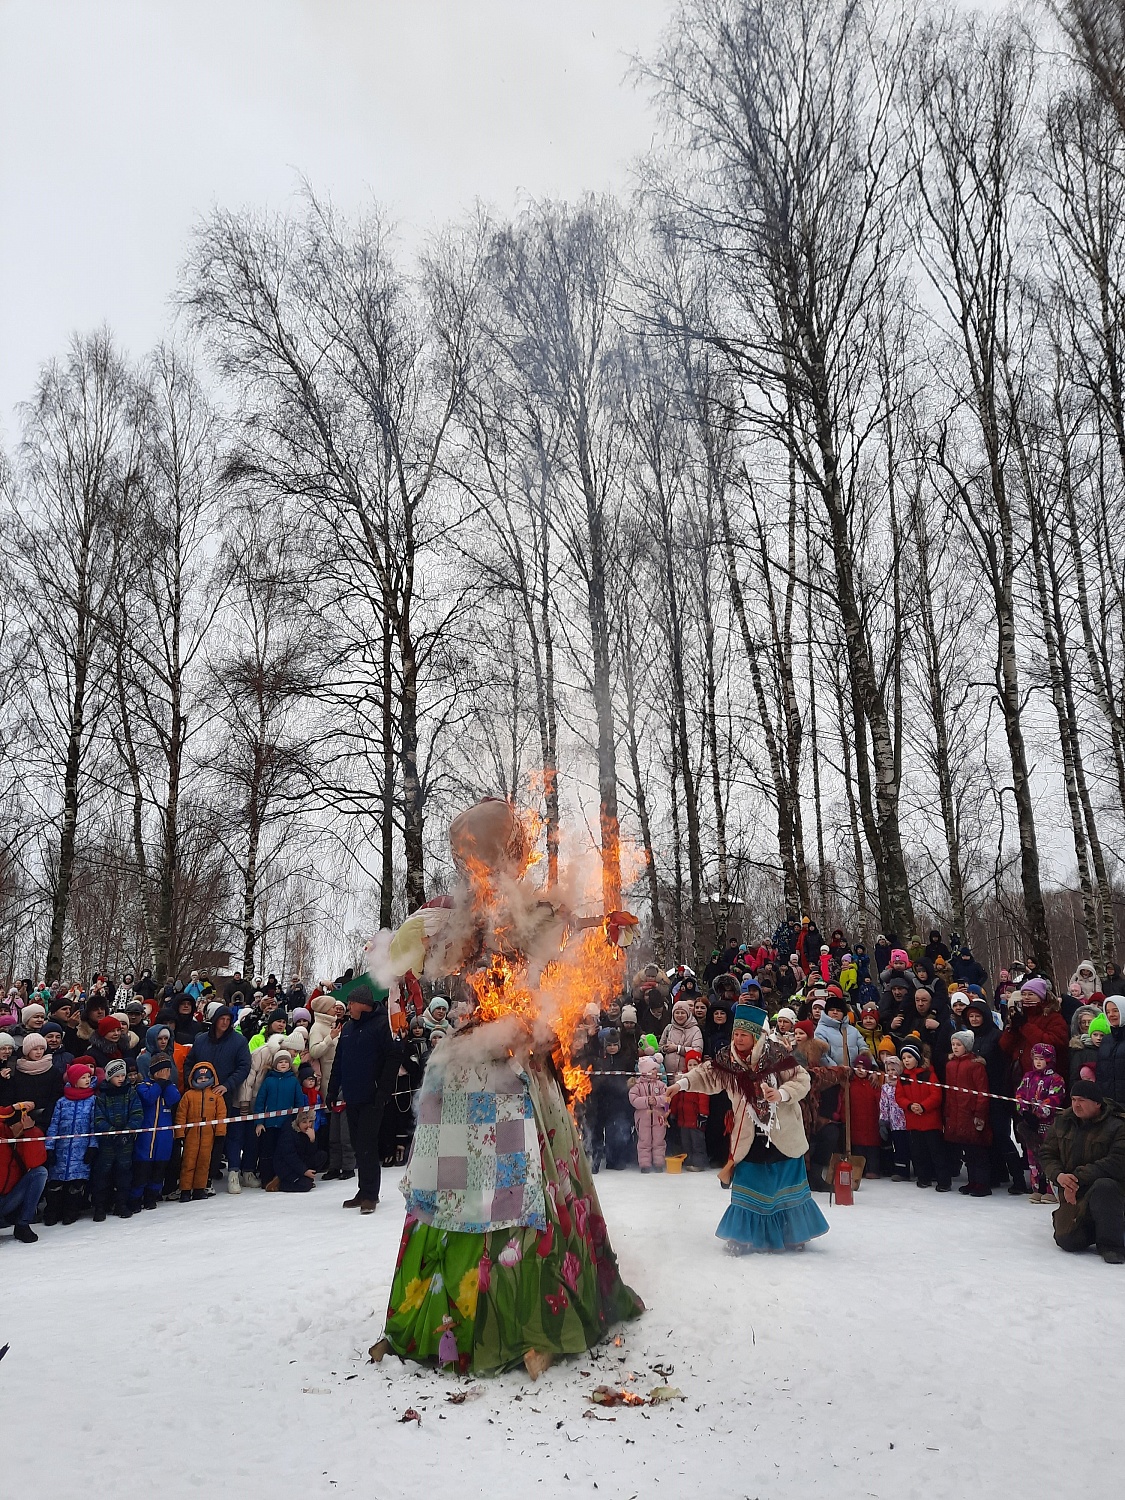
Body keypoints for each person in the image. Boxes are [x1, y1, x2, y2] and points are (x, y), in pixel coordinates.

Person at [672, 1003, 828, 1254]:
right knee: (747, 1186)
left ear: (756, 1036)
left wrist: (781, 1093)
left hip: (783, 1132)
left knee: (786, 1187)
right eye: (735, 1034)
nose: (738, 1039)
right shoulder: (727, 1060)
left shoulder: (778, 1056)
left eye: (743, 1035)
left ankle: (793, 1234)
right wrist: (681, 1085)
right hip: (748, 1134)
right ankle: (743, 1236)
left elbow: (803, 1080)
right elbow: (705, 1076)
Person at [324, 977, 399, 1213]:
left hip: (372, 1096)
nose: (347, 1006)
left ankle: (370, 1195)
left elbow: (393, 1058)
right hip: (352, 1095)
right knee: (358, 1145)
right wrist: (332, 1090)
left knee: (367, 1145)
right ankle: (363, 1190)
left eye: (350, 1002)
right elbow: (339, 1062)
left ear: (361, 1003)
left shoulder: (381, 1025)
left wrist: (384, 1091)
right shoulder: (347, 1028)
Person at [1040, 1079, 1125, 1264]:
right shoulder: (1063, 1121)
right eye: (1073, 1099)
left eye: (1082, 1100)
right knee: (1067, 1241)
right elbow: (1047, 1153)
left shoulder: (1118, 1125)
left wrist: (1075, 1179)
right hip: (1072, 1190)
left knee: (1105, 1186)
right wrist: (1059, 1176)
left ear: (1097, 1103)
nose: (1076, 1105)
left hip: (1111, 1190)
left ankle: (1112, 1245)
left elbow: (1117, 1162)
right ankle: (1090, 1224)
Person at [184, 1004, 251, 1193]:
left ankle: (211, 1176)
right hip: (199, 1097)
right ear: (214, 1020)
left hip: (223, 1096)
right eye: (222, 1019)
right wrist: (192, 1083)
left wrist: (227, 1085)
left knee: (220, 1136)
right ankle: (195, 1177)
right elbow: (190, 1063)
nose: (225, 1022)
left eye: (228, 1019)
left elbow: (244, 1066)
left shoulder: (238, 1041)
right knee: (200, 1138)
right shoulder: (201, 1040)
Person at [44, 1063, 98, 1225]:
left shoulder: (93, 1100)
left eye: (89, 1077)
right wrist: (50, 1147)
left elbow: (94, 1125)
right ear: (74, 1080)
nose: (87, 1080)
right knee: (55, 1183)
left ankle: (71, 1212)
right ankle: (53, 1212)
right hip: (62, 1149)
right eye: (83, 1077)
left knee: (76, 1183)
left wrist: (92, 1146)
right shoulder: (62, 1102)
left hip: (81, 1150)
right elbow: (54, 1125)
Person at [90, 1058, 143, 1221]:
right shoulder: (101, 1095)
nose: (121, 1078)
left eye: (123, 1075)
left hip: (125, 1142)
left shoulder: (130, 1092)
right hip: (107, 1143)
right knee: (102, 1175)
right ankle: (100, 1206)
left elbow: (137, 1113)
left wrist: (126, 1132)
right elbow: (98, 1119)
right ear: (109, 1077)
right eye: (117, 1075)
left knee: (124, 1174)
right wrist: (112, 1132)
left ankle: (121, 1204)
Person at [943, 1031, 992, 1197]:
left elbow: (982, 1091)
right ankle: (973, 1181)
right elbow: (949, 1092)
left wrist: (979, 1113)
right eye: (953, 1044)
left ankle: (983, 1183)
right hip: (957, 1113)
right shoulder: (950, 1065)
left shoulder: (975, 1065)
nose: (955, 1048)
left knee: (978, 1150)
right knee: (967, 1151)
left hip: (971, 1113)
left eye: (959, 1045)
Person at [897, 1039, 950, 1191]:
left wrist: (923, 1106)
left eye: (909, 1057)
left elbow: (936, 1095)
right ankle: (923, 1178)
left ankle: (943, 1181)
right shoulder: (903, 1077)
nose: (906, 1060)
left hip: (930, 1122)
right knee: (918, 1153)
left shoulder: (929, 1074)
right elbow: (899, 1097)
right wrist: (909, 1105)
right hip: (913, 1122)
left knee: (937, 1153)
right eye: (904, 1058)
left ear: (917, 1058)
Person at [132, 1053, 180, 1211]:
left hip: (164, 1138)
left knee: (159, 1170)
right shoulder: (143, 1086)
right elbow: (149, 1098)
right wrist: (159, 1084)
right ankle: (136, 1198)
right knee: (142, 1172)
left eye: (168, 1070)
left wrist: (165, 1084)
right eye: (162, 1070)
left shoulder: (169, 1086)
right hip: (146, 1138)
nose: (166, 1073)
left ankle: (152, 1198)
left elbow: (174, 1099)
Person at [175, 1060, 227, 1201]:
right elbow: (181, 1115)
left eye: (205, 1077)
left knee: (204, 1162)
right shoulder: (188, 1095)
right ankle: (185, 1190)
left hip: (208, 1134)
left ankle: (199, 1189)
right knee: (188, 1162)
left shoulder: (216, 1096)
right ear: (194, 1078)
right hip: (191, 1134)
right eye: (200, 1078)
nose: (203, 1080)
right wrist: (180, 1134)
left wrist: (220, 1133)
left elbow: (221, 1115)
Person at [254, 1050, 304, 1190]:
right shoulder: (268, 1081)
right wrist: (259, 1122)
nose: (283, 1064)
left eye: (286, 1062)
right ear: (275, 1064)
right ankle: (266, 1178)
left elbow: (299, 1102)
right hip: (269, 1124)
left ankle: (281, 1178)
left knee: (283, 1152)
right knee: (267, 1153)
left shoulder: (294, 1081)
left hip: (287, 1125)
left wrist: (299, 1121)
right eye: (280, 1062)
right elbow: (260, 1102)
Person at [0, 1102, 48, 1242]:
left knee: (40, 1172)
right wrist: (14, 1108)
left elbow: (35, 1163)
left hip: (7, 1200)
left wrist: (30, 1130)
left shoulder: (27, 1136)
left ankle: (23, 1224)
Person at [669, 1048, 709, 1170]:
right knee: (686, 1141)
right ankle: (689, 1161)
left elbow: (703, 1098)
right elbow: (676, 1097)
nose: (692, 1067)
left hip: (696, 1118)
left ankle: (699, 1163)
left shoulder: (701, 1078)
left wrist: (703, 1114)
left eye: (695, 1064)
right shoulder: (682, 1079)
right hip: (683, 1118)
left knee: (697, 1142)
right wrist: (673, 1111)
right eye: (690, 1064)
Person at [629, 1054, 668, 1173]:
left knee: (659, 1140)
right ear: (645, 1072)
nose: (656, 1071)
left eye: (656, 1069)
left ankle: (659, 1162)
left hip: (658, 1117)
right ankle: (645, 1164)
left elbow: (667, 1098)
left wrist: (657, 1100)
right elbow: (633, 1100)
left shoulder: (661, 1085)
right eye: (653, 1069)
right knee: (644, 1140)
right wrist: (646, 1101)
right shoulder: (637, 1086)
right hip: (643, 1118)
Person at [272, 1108, 324, 1191]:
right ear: (297, 1123)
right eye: (304, 1122)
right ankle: (280, 1184)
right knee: (306, 1185)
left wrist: (312, 1141)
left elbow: (310, 1153)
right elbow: (290, 1157)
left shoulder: (308, 1132)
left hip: (299, 1162)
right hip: (286, 1166)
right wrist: (304, 1171)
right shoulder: (288, 1134)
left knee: (321, 1156)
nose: (308, 1125)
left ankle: (303, 1178)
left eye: (310, 1121)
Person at [879, 1052, 910, 1180]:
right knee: (896, 1146)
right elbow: (883, 1104)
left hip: (906, 1121)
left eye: (894, 1070)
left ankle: (906, 1170)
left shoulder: (904, 1084)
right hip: (893, 1122)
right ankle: (897, 1170)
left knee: (904, 1146)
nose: (891, 1073)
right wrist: (883, 1120)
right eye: (889, 1070)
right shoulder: (886, 1087)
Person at [813, 992, 864, 1067]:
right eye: (832, 1010)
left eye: (838, 1010)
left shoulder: (853, 1030)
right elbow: (822, 1056)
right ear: (827, 1012)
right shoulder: (820, 1031)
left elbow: (863, 1048)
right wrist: (837, 1070)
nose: (835, 1012)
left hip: (854, 1074)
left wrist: (865, 1066)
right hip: (832, 1075)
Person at [660, 998, 703, 1084]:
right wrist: (665, 1049)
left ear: (688, 1014)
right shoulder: (669, 1028)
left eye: (682, 1013)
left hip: (688, 1077)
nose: (679, 1015)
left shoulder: (695, 1030)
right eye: (677, 1013)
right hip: (668, 1077)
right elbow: (660, 1047)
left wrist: (678, 1048)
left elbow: (698, 1050)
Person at [1094, 996, 1125, 1106]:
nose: (1111, 1015)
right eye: (1108, 1012)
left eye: (1115, 1010)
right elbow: (1100, 1073)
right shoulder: (1106, 1040)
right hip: (1109, 1103)